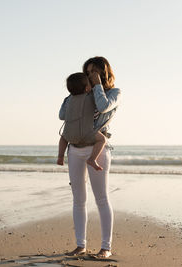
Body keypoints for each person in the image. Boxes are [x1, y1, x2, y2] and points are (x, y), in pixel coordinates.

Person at [59, 56, 121, 259]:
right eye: (87, 72)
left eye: (94, 72)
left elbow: (103, 107)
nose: (90, 75)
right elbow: (62, 114)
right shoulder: (78, 95)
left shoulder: (113, 92)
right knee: (78, 199)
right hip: (75, 148)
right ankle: (80, 245)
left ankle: (106, 247)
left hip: (98, 148)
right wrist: (73, 96)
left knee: (101, 198)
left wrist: (97, 86)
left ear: (103, 73)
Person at [56, 73, 107, 171]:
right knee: (102, 140)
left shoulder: (68, 99)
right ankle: (92, 159)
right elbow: (100, 107)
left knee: (63, 138)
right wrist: (97, 85)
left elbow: (61, 116)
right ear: (87, 88)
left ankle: (60, 157)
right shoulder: (91, 96)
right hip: (86, 133)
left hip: (69, 134)